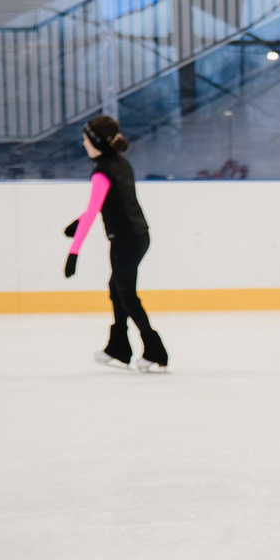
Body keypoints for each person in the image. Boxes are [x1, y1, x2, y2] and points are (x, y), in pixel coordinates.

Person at [63, 114, 167, 373]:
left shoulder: (101, 173)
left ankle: (155, 351)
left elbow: (93, 210)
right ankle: (119, 346)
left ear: (97, 142)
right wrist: (78, 222)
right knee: (117, 288)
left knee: (126, 295)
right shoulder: (121, 164)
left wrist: (73, 253)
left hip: (124, 241)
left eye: (86, 139)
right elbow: (106, 205)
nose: (84, 143)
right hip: (139, 235)